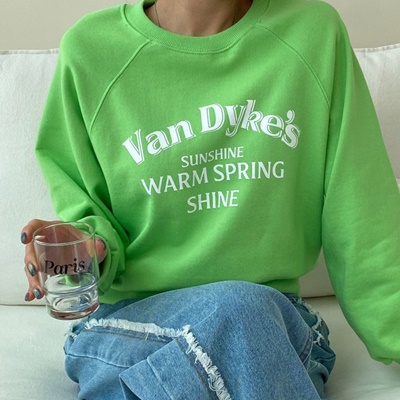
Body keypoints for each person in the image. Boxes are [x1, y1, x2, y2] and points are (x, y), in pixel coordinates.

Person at [21, 0, 400, 398]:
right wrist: (86, 249)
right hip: (133, 326)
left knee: (243, 312)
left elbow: (364, 219)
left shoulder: (312, 35)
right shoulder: (91, 49)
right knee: (238, 319)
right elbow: (92, 221)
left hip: (270, 323)